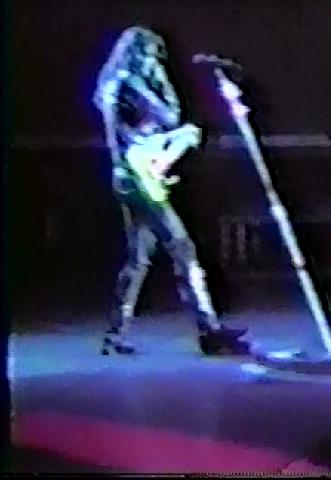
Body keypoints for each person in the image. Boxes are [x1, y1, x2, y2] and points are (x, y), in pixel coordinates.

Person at [93, 26, 249, 356]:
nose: (154, 61)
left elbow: (169, 117)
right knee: (182, 248)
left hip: (142, 168)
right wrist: (120, 164)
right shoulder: (120, 82)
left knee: (138, 259)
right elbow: (118, 127)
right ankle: (208, 330)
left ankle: (114, 335)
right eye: (150, 54)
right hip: (136, 170)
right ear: (137, 52)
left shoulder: (138, 82)